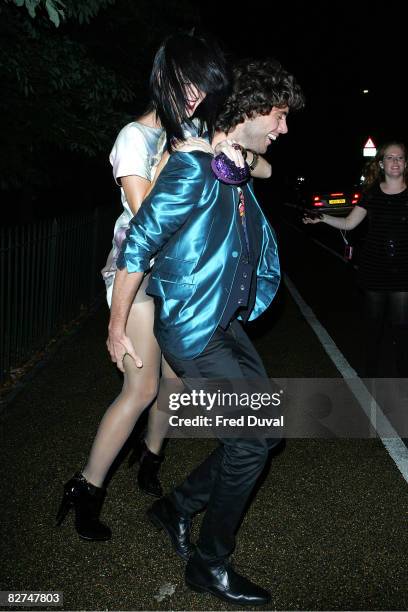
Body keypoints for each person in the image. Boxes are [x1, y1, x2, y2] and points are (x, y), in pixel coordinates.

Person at [56, 33, 271, 542]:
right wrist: (190, 158)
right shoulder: (135, 137)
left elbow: (263, 164)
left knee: (174, 385)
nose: (196, 97)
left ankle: (150, 458)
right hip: (135, 275)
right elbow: (147, 214)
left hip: (176, 279)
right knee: (142, 387)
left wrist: (228, 149)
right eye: (189, 85)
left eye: (203, 88)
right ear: (164, 81)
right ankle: (85, 488)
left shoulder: (195, 130)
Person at [108, 58, 305, 606]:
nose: (284, 129)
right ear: (255, 108)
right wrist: (117, 324)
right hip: (194, 329)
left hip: (226, 321)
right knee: (248, 446)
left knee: (268, 433)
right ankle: (208, 564)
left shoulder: (231, 158)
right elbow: (139, 242)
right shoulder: (193, 163)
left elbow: (259, 167)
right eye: (281, 116)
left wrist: (238, 154)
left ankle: (174, 507)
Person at [303, 141, 408, 377]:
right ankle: (370, 376)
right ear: (381, 164)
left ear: (405, 163)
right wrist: (322, 218)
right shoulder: (371, 194)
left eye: (399, 158)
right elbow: (349, 223)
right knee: (374, 327)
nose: (395, 162)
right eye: (390, 158)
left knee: (401, 329)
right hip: (374, 269)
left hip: (403, 271)